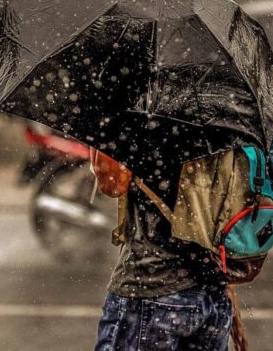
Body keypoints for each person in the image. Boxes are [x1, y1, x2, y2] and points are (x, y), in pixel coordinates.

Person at [91, 147, 245, 351]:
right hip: (214, 289)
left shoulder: (145, 116)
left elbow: (112, 183)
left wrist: (97, 138)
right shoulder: (231, 117)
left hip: (153, 285)